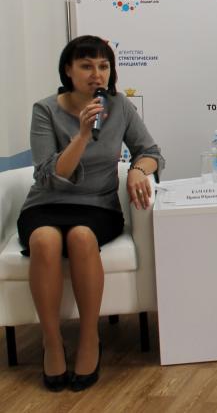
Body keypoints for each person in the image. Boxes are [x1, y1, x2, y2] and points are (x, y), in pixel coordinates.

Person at [19, 35, 163, 392]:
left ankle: (88, 338)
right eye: (86, 66)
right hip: (47, 203)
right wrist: (82, 135)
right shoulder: (45, 109)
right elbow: (49, 175)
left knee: (82, 237)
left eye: (103, 66)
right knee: (44, 240)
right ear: (68, 71)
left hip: (97, 205)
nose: (96, 74)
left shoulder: (119, 106)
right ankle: (52, 341)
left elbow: (151, 152)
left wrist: (137, 170)